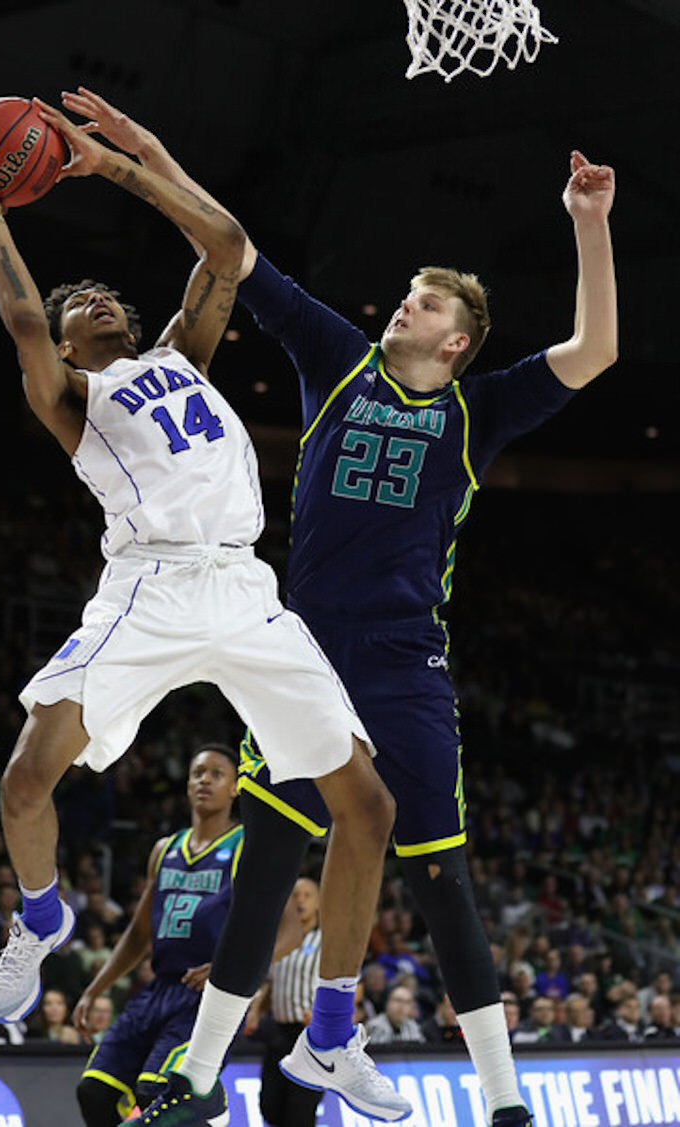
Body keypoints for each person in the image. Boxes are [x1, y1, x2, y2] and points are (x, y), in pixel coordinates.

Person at [59, 88, 617, 1127]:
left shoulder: (477, 407)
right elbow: (233, 251)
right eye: (407, 295)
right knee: (268, 859)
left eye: (427, 304)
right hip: (298, 652)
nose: (405, 305)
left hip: (406, 661)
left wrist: (587, 223)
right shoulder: (336, 358)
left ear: (457, 340)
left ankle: (502, 1100)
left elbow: (594, 351)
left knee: (440, 872)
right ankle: (195, 1076)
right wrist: (143, 153)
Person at [0, 97, 400, 1124]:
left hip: (241, 585)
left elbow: (226, 246)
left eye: (106, 290)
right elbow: (20, 319)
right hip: (147, 585)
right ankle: (39, 915)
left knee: (366, 804)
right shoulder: (72, 399)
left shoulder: (179, 359)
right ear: (68, 345)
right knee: (25, 778)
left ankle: (331, 1031)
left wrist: (117, 167)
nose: (99, 297)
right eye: (82, 304)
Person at [74, 744, 243, 1125]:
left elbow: (288, 928)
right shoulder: (164, 849)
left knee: (159, 1093)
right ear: (186, 784)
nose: (205, 779)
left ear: (236, 788)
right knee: (95, 1091)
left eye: (217, 774)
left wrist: (230, 969)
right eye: (198, 772)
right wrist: (95, 988)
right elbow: (139, 932)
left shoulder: (247, 846)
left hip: (207, 996)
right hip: (157, 989)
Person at [248, 876, 324, 1127]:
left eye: (307, 895)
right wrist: (256, 1011)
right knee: (269, 1106)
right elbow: (271, 984)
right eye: (295, 895)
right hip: (280, 1031)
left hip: (311, 1036)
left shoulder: (327, 940)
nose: (300, 900)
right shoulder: (279, 940)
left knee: (300, 1112)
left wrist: (326, 1017)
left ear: (319, 903)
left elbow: (354, 987)